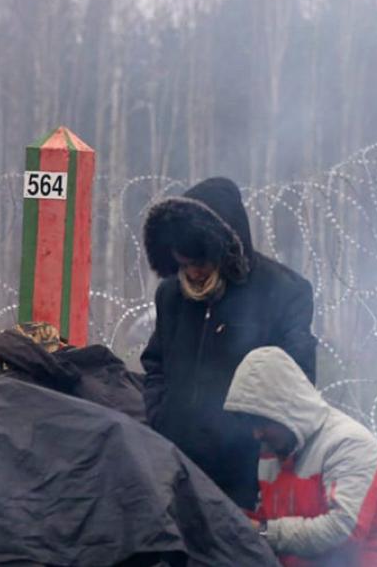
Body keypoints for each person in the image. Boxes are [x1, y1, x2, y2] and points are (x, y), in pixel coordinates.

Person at [141, 177, 318, 510]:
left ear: (221, 250)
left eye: (200, 263)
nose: (193, 273)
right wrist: (161, 417)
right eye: (184, 264)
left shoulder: (283, 292)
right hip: (176, 469)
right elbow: (155, 363)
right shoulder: (170, 295)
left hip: (246, 478)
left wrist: (257, 439)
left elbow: (299, 379)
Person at [225, 346, 377, 566]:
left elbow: (343, 531)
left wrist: (262, 531)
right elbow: (269, 520)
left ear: (286, 408)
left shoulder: (348, 443)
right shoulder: (272, 453)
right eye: (251, 423)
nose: (257, 434)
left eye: (263, 422)